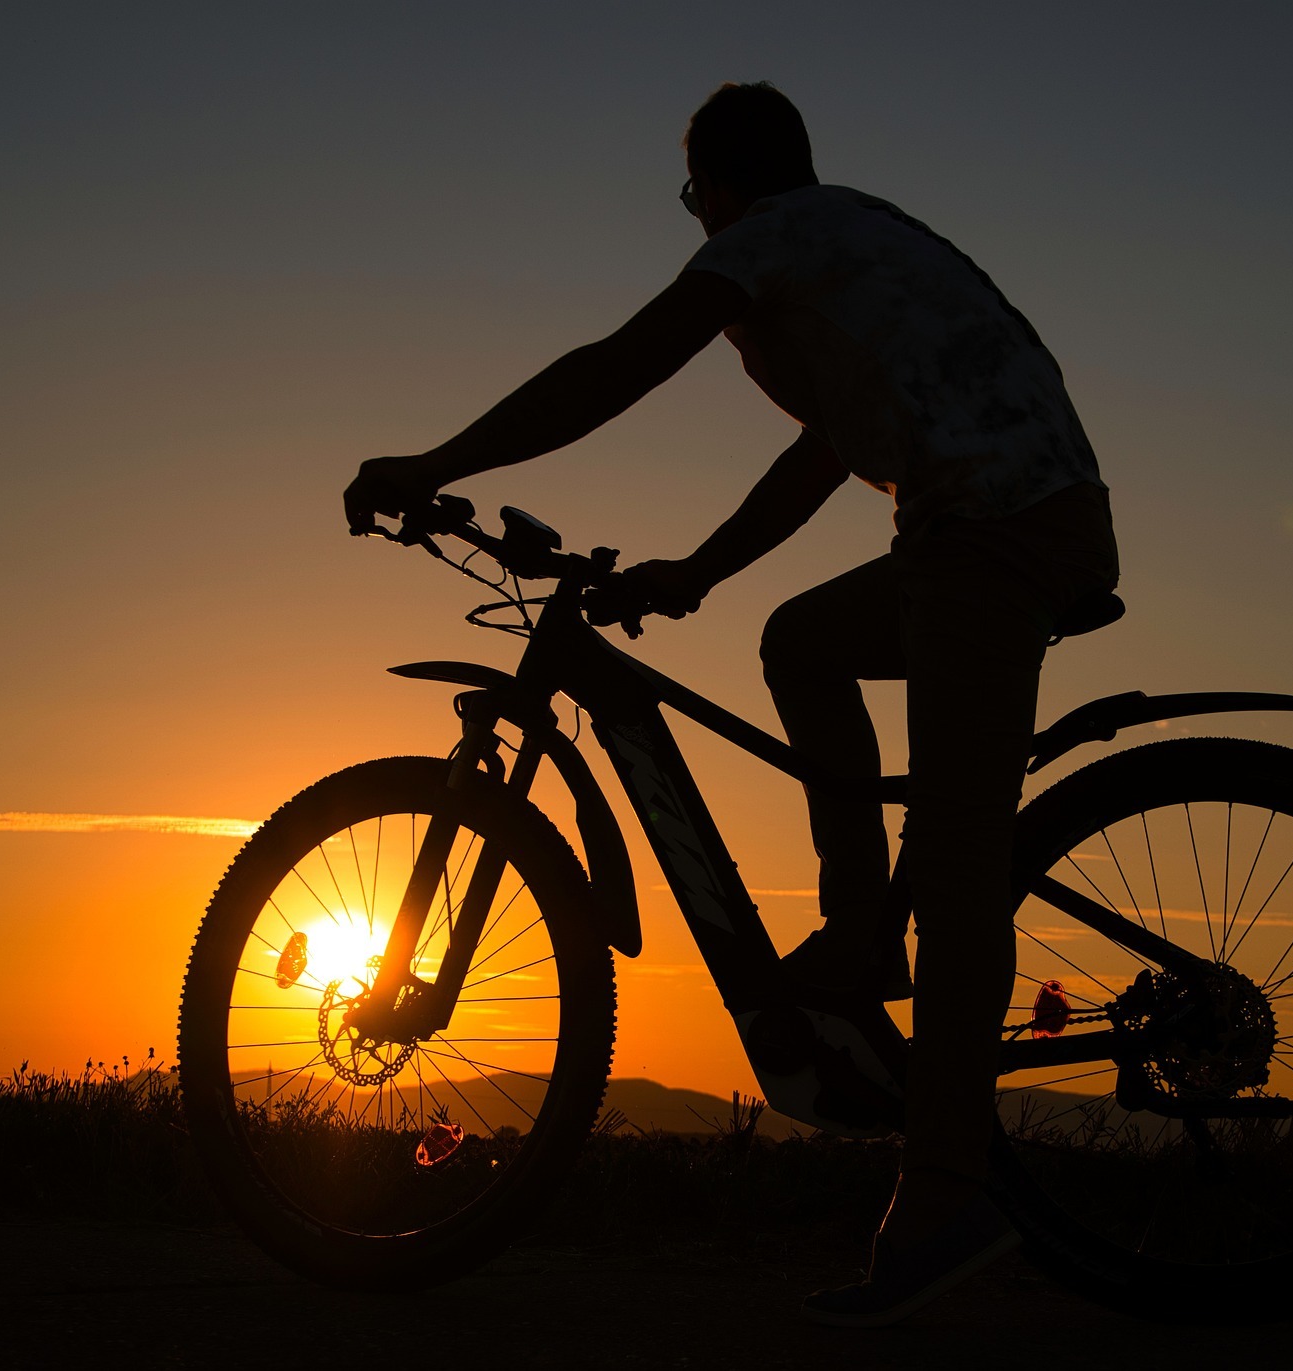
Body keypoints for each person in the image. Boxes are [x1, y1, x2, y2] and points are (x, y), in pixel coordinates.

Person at [344, 81, 1119, 1326]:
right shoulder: (844, 248)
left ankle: (944, 1198)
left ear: (712, 190)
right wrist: (700, 571)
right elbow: (824, 453)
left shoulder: (771, 240)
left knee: (965, 860)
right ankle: (866, 932)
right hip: (986, 526)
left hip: (997, 537)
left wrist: (436, 463)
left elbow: (615, 369)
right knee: (802, 641)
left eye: (692, 195)